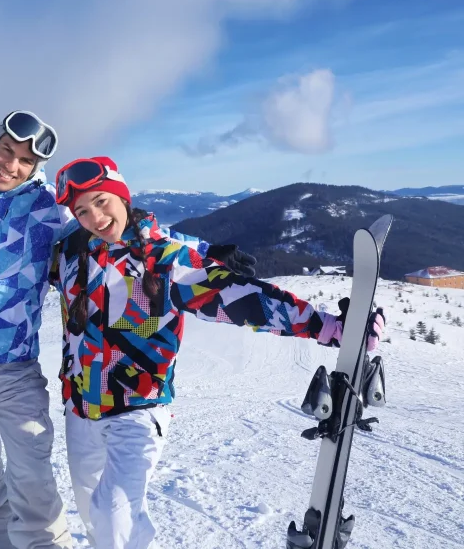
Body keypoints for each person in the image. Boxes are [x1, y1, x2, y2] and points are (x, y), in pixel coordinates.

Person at [0, 0, 258, 549]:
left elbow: (121, 234)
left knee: (32, 485)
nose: (10, 165)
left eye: (24, 161)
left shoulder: (48, 212)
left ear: (36, 168)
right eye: (6, 150)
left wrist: (206, 253)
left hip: (13, 373)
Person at [49, 156, 386, 549]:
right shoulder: (73, 255)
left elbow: (242, 298)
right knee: (97, 520)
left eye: (102, 201)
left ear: (122, 195)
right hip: (80, 413)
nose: (96, 217)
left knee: (114, 517)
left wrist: (326, 326)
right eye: (83, 211)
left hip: (137, 410)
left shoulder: (166, 260)